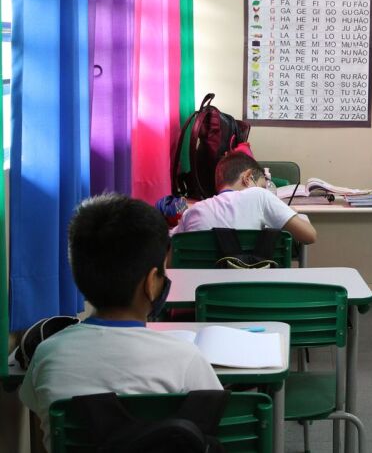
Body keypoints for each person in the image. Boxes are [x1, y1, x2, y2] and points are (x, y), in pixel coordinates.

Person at [20, 194, 223, 451]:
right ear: (151, 283)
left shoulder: (47, 355)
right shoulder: (186, 358)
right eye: (163, 271)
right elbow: (218, 422)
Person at [172, 152, 317, 244]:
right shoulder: (259, 195)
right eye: (261, 185)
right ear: (248, 177)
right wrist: (290, 212)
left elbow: (171, 256)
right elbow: (309, 236)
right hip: (248, 287)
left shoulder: (192, 211)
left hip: (201, 290)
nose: (262, 190)